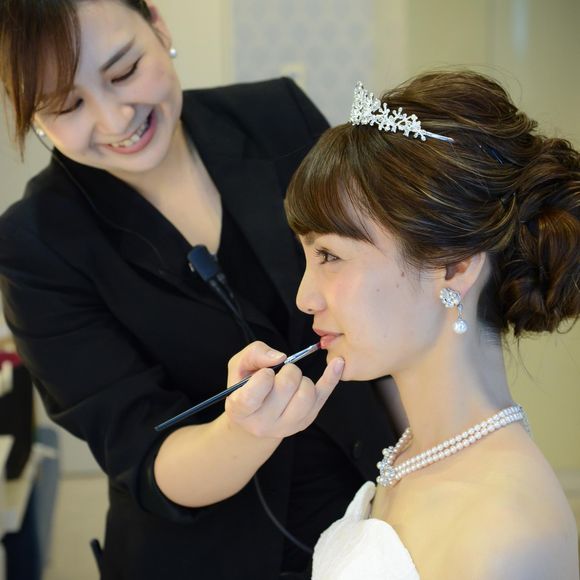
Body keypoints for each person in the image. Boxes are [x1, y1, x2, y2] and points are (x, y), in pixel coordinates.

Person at [0, 1, 396, 578]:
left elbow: (387, 304)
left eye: (124, 72)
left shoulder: (276, 116)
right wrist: (241, 431)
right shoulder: (36, 244)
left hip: (376, 515)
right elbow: (142, 454)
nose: (114, 119)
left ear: (157, 26)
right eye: (67, 105)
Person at [280, 71, 580, 578]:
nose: (304, 298)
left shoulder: (504, 536)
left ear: (454, 267)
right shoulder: (408, 459)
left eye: (329, 255)